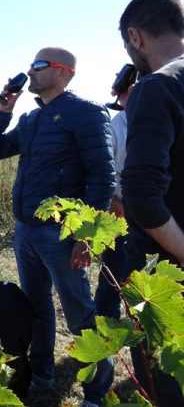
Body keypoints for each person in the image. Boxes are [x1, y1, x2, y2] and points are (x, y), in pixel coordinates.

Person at [0, 47, 115, 407]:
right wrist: (4, 110)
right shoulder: (30, 120)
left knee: (79, 313)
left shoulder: (85, 113)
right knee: (37, 308)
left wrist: (85, 237)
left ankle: (98, 389)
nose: (30, 71)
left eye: (39, 66)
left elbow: (102, 177)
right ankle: (42, 374)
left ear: (63, 72)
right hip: (26, 230)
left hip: (62, 235)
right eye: (31, 65)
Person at [118, 0, 184, 407]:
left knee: (166, 381)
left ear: (136, 37)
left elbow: (141, 195)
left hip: (165, 275)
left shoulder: (157, 88)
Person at [94, 78, 133, 320]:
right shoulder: (119, 124)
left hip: (164, 218)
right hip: (123, 213)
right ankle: (107, 344)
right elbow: (104, 171)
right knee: (113, 279)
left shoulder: (168, 116)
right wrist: (114, 203)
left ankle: (148, 350)